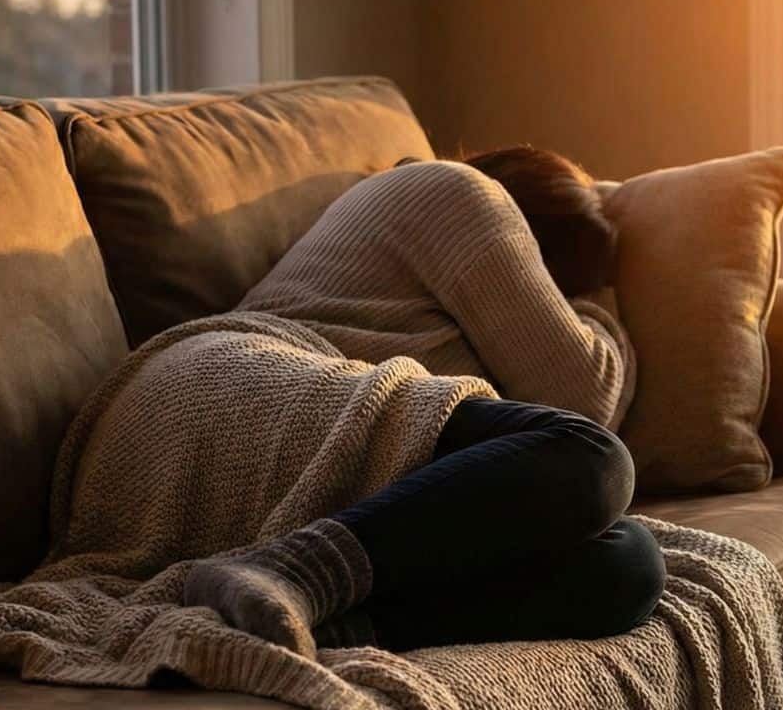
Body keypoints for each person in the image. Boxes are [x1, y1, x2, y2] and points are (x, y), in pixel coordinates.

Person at [50, 149, 659, 654]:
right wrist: (598, 297)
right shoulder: (452, 189)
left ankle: (311, 617)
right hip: (211, 393)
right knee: (593, 459)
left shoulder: (444, 307)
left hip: (270, 473)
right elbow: (585, 400)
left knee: (626, 566)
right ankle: (288, 573)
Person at [236, 148, 633, 427]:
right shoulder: (463, 192)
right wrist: (594, 302)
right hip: (249, 382)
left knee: (620, 544)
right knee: (599, 472)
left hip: (285, 402)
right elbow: (585, 404)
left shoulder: (422, 300)